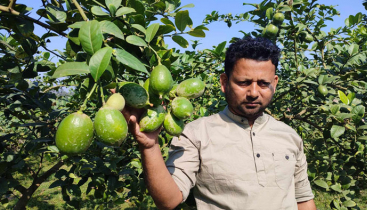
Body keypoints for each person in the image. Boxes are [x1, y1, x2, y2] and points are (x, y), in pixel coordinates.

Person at [123, 36, 316, 210]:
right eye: (244, 82)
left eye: (263, 83)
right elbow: (169, 200)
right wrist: (149, 146)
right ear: (224, 83)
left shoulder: (289, 135)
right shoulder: (195, 133)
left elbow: (303, 199)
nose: (254, 92)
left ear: (274, 83)